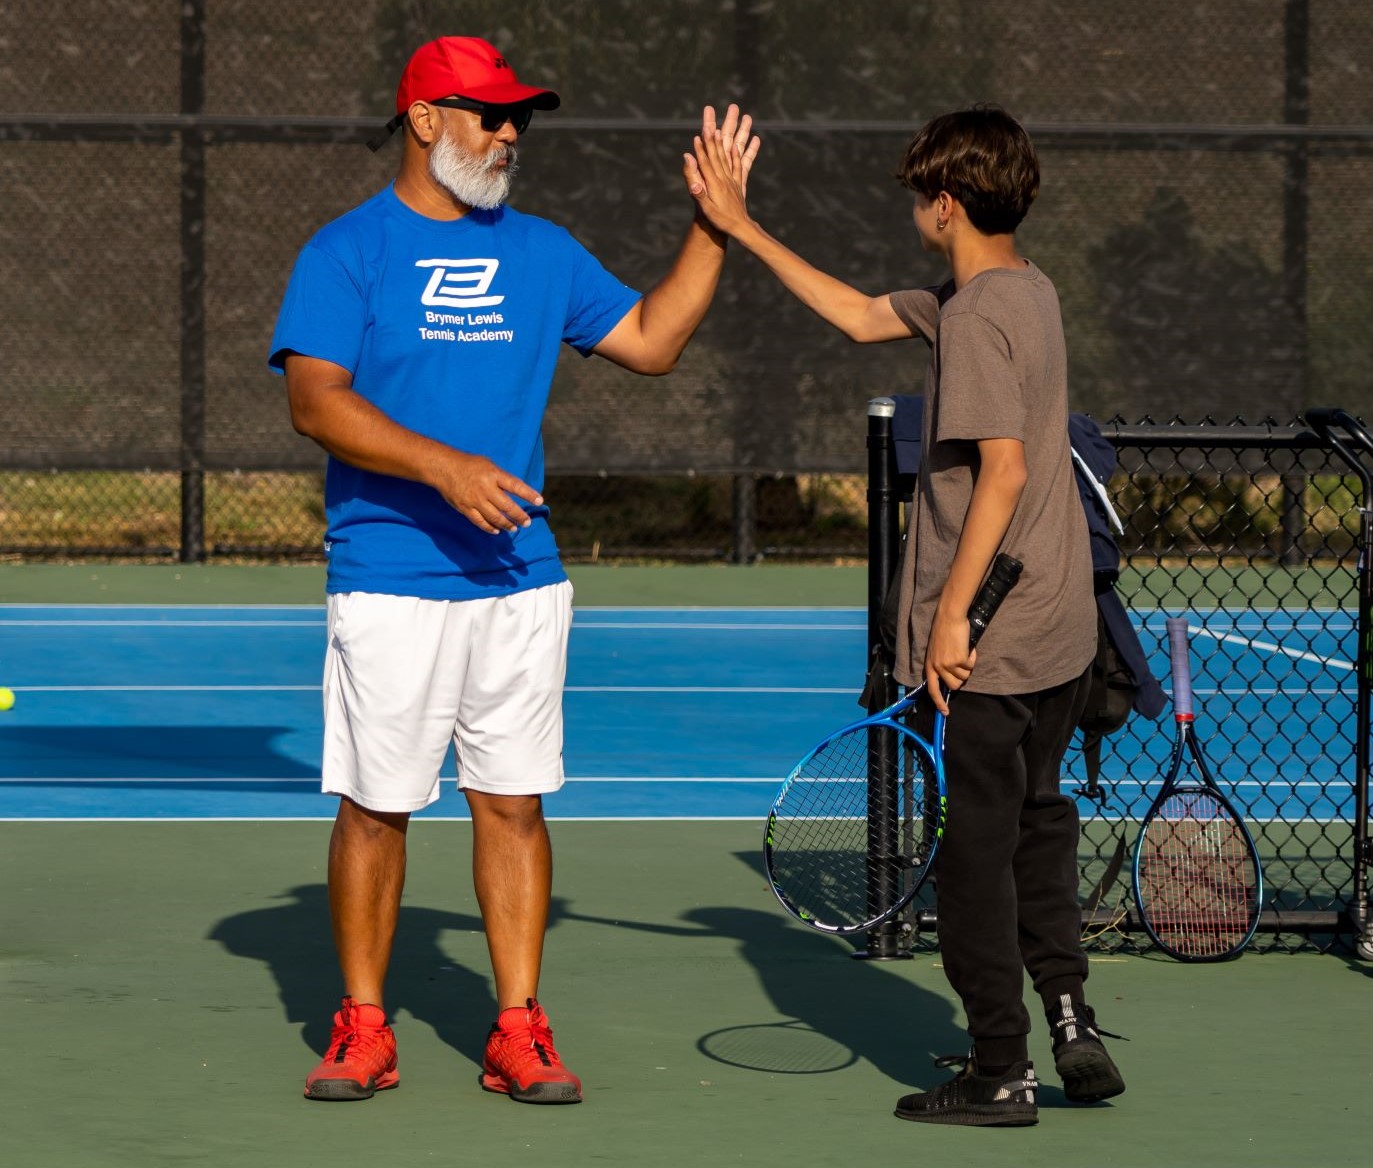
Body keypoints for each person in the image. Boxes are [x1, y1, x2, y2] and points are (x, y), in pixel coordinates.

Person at [268, 35, 758, 1105]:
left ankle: (518, 1026)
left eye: (517, 118)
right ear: (422, 118)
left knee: (513, 806)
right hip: (389, 578)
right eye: (486, 114)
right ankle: (361, 1026)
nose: (507, 134)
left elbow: (650, 338)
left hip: (520, 581)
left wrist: (712, 232)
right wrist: (442, 468)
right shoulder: (345, 252)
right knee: (373, 807)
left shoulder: (542, 253)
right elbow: (316, 399)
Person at [685, 105, 1123, 1126]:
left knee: (973, 863)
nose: (913, 212)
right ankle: (1067, 1018)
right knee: (1038, 828)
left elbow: (1003, 470)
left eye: (919, 197)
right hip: (1062, 635)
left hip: (994, 644)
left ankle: (996, 1069)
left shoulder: (971, 319)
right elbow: (850, 314)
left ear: (946, 205)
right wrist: (739, 226)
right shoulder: (1020, 293)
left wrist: (950, 618)